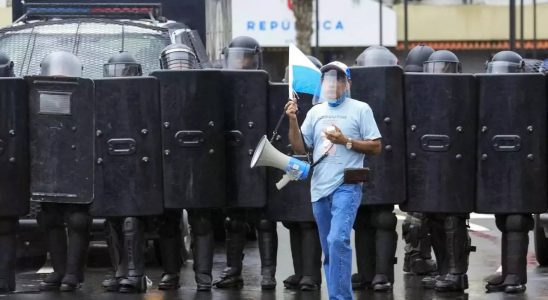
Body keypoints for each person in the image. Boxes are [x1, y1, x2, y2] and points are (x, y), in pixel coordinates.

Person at [285, 61, 381, 299]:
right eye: (328, 79)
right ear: (323, 84)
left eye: (338, 79)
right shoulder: (315, 112)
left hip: (347, 186)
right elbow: (299, 148)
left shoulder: (361, 109)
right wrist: (293, 120)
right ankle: (337, 294)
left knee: (338, 240)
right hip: (319, 188)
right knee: (329, 249)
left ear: (347, 83)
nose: (333, 84)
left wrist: (346, 141)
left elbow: (376, 146)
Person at [213, 36, 278, 290]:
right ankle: (232, 269)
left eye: (244, 56)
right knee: (234, 219)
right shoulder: (221, 85)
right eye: (236, 56)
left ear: (254, 57)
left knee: (264, 219)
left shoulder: (265, 84)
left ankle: (268, 273)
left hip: (262, 160)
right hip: (233, 159)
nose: (240, 61)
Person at [37, 51, 92, 292]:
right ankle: (60, 270)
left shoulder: (86, 93)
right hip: (47, 163)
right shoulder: (35, 93)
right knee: (49, 216)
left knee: (78, 219)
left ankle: (72, 273)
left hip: (77, 162)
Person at [419, 50, 473, 292]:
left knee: (452, 219)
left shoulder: (468, 93)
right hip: (432, 167)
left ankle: (456, 274)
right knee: (434, 218)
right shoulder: (420, 96)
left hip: (457, 168)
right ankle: (444, 271)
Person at [483, 50, 532, 294]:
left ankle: (515, 276)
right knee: (504, 219)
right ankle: (509, 273)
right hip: (499, 165)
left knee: (516, 220)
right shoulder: (486, 94)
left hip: (525, 165)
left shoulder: (534, 94)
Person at [351, 46, 399, 292]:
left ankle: (382, 273)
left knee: (381, 218)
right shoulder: (348, 93)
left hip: (383, 160)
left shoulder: (399, 87)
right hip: (360, 159)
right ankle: (368, 272)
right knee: (362, 218)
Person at [100, 52, 148, 293]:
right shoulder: (102, 97)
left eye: (125, 72)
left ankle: (135, 273)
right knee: (112, 219)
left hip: (138, 169)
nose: (120, 77)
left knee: (131, 220)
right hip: (111, 167)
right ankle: (119, 271)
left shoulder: (145, 96)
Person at [281, 55, 323, 292]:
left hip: (312, 165)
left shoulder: (320, 105)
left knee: (308, 223)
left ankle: (311, 274)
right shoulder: (284, 99)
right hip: (288, 164)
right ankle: (299, 271)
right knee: (294, 221)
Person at [400, 44, 438, 276]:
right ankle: (418, 257)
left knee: (415, 213)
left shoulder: (400, 87)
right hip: (428, 156)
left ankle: (413, 256)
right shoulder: (432, 89)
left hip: (409, 158)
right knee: (430, 213)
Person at [0, 52, 25, 293]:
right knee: (6, 229)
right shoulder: (18, 92)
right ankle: (5, 281)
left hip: (10, 172)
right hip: (11, 173)